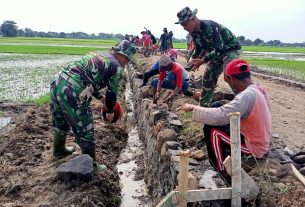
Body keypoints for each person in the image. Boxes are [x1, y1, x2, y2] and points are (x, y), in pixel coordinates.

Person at [177, 59, 271, 180]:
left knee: (212, 129)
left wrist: (192, 108)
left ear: (232, 78)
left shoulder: (246, 96)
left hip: (254, 147)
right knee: (216, 105)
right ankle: (224, 155)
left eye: (228, 81)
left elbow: (221, 116)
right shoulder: (257, 89)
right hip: (255, 137)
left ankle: (220, 170)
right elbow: (225, 110)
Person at [50, 40, 136, 171]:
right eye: (128, 59)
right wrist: (110, 111)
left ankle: (59, 150)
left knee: (60, 118)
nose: (127, 63)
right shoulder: (117, 67)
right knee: (85, 127)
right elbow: (112, 93)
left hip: (58, 82)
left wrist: (100, 97)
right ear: (123, 55)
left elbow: (87, 77)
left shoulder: (99, 54)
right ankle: (91, 165)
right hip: (73, 90)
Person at [175, 7, 242, 107]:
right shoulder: (193, 32)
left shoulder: (209, 27)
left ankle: (243, 100)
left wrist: (202, 61)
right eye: (182, 25)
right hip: (216, 52)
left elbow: (219, 49)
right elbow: (199, 47)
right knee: (208, 77)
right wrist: (193, 61)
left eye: (185, 24)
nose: (184, 27)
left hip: (230, 49)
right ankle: (204, 108)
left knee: (229, 74)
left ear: (193, 19)